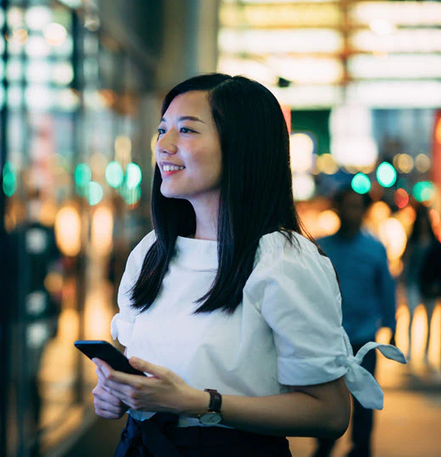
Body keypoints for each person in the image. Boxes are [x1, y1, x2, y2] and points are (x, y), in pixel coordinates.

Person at [91, 73, 405, 457]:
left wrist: (201, 402)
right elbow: (137, 368)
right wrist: (115, 394)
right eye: (162, 129)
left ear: (242, 147)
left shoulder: (282, 259)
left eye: (187, 130)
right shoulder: (152, 251)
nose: (164, 146)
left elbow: (331, 413)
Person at [312, 188, 397, 457]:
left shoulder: (374, 248)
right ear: (337, 209)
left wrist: (392, 326)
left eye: (357, 206)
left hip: (363, 340)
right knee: (325, 401)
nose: (353, 212)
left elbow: (386, 289)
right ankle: (323, 448)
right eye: (348, 206)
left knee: (364, 403)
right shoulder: (321, 246)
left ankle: (361, 450)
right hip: (330, 340)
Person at [403, 204, 440, 364]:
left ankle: (425, 353)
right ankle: (411, 351)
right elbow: (406, 262)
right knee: (412, 317)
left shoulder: (434, 244)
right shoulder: (413, 241)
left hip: (429, 285)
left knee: (430, 320)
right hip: (413, 283)